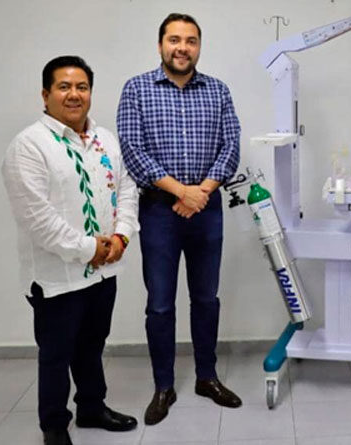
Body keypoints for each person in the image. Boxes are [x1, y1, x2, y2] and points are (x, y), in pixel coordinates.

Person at [1, 56, 139, 445]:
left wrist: (122, 236)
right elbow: (37, 218)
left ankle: (92, 408)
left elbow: (127, 189)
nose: (74, 94)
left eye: (82, 87)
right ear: (45, 95)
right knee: (56, 353)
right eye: (64, 87)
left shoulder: (105, 139)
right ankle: (54, 425)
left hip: (104, 269)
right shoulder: (29, 146)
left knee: (92, 345)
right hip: (56, 276)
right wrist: (88, 248)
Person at [116, 13, 242, 425]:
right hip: (159, 213)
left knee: (206, 298)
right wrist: (180, 191)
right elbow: (132, 151)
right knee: (160, 304)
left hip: (206, 210)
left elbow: (231, 146)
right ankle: (164, 386)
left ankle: (207, 377)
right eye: (174, 39)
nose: (182, 47)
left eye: (190, 40)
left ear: (199, 47)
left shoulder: (218, 90)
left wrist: (200, 192)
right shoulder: (136, 89)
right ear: (160, 45)